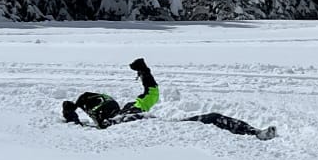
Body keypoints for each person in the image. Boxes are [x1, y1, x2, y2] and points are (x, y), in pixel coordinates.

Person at [62, 58, 276, 139]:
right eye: (104, 104)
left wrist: (145, 72)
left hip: (169, 129)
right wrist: (71, 113)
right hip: (160, 141)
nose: (109, 105)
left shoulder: (131, 107)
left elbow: (152, 94)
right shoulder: (103, 128)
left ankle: (255, 132)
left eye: (108, 102)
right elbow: (77, 131)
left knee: (212, 117)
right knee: (212, 118)